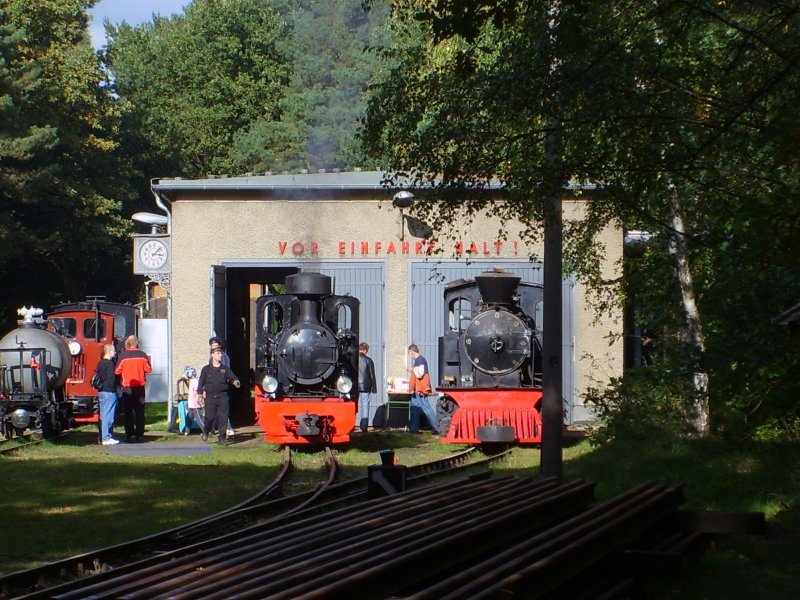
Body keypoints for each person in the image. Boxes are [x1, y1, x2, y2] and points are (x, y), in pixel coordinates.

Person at [198, 346, 241, 445]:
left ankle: (222, 438)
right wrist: (200, 393)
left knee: (223, 417)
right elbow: (201, 382)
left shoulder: (224, 369)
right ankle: (206, 431)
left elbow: (232, 377)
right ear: (212, 355)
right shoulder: (206, 369)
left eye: (220, 353)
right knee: (210, 417)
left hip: (222, 396)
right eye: (217, 353)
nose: (220, 355)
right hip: (210, 397)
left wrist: (235, 381)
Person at [115, 335, 152, 443]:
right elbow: (149, 369)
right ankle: (140, 434)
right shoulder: (142, 355)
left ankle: (130, 434)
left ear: (127, 343)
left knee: (128, 412)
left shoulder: (123, 356)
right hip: (140, 388)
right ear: (136, 343)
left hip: (127, 388)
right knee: (140, 411)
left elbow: (117, 371)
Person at [407, 344, 439, 434]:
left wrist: (412, 370)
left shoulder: (420, 360)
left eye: (409, 354)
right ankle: (414, 429)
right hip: (416, 389)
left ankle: (436, 427)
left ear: (412, 352)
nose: (409, 356)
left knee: (426, 408)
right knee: (415, 408)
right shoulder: (418, 360)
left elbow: (420, 373)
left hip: (420, 389)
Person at [209, 337, 235, 437]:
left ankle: (227, 428)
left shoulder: (223, 357)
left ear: (220, 346)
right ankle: (213, 427)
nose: (214, 348)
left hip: (222, 386)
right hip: (213, 386)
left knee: (223, 408)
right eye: (212, 346)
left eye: (216, 346)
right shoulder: (211, 357)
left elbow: (225, 371)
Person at [95, 343, 119, 445]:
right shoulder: (109, 364)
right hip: (109, 392)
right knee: (108, 415)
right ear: (109, 351)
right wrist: (115, 389)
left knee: (104, 415)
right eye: (113, 351)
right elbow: (111, 379)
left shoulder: (100, 363)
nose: (115, 353)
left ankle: (103, 436)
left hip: (102, 391)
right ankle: (106, 437)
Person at [357, 342, 377, 433]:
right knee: (365, 405)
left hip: (354, 386)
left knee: (353, 405)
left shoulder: (354, 359)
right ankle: (364, 427)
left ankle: (350, 425)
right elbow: (372, 375)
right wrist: (374, 387)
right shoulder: (369, 360)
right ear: (365, 350)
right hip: (365, 385)